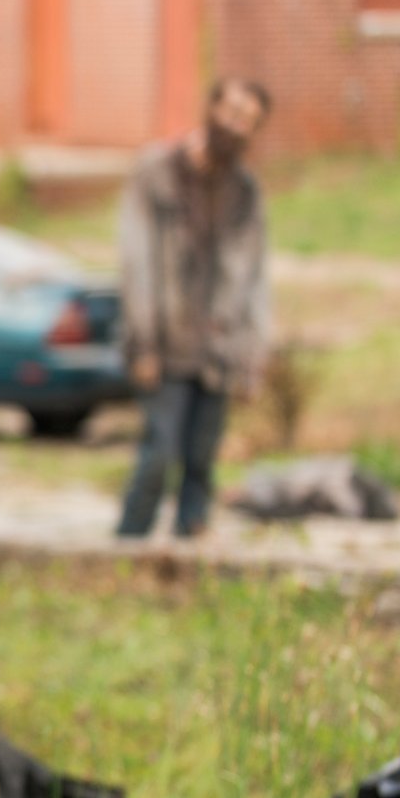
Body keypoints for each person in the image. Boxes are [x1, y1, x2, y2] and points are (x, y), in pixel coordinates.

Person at [114, 78, 273, 540]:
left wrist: (251, 357)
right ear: (211, 109)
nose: (237, 126)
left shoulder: (244, 192)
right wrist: (142, 342)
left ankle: (190, 552)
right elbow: (136, 261)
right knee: (159, 453)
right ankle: (128, 545)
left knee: (201, 461)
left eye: (249, 121)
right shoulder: (157, 173)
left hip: (217, 350)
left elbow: (255, 277)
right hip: (162, 347)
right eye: (232, 112)